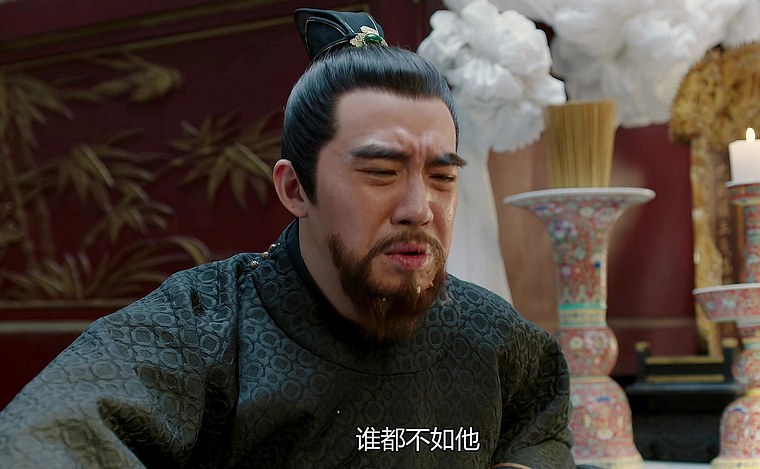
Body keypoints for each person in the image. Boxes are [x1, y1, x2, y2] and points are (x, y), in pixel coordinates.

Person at [0, 8, 575, 467]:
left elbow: (540, 424)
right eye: (381, 172)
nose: (418, 209)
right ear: (295, 188)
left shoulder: (490, 334)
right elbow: (50, 437)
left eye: (442, 178)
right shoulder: (201, 329)